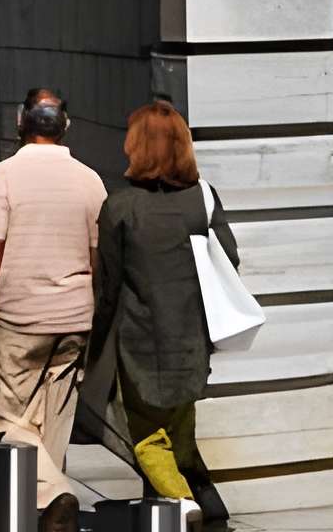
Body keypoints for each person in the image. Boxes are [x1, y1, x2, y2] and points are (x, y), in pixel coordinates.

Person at [87, 101, 239, 527]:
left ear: (137, 146)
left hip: (141, 343)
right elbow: (229, 258)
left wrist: (96, 346)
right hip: (193, 338)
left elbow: (108, 287)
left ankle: (182, 503)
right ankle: (207, 506)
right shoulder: (202, 199)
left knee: (147, 437)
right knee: (181, 427)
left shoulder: (120, 208)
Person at [0, 89, 105, 532]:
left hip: (19, 316)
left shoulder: (2, 176)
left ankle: (56, 494)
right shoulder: (90, 180)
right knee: (53, 421)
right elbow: (98, 257)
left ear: (20, 122)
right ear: (65, 125)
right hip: (75, 317)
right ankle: (50, 514)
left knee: (8, 418)